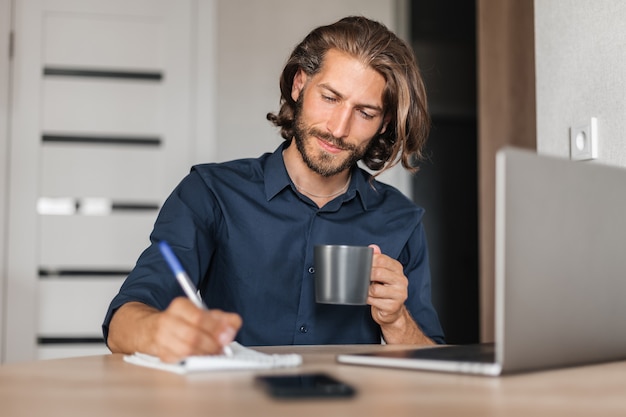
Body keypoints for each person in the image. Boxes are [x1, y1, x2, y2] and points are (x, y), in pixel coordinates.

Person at [103, 16, 445, 363]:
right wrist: (162, 331)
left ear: (384, 122)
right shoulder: (210, 194)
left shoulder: (400, 220)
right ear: (300, 85)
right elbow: (122, 325)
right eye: (330, 97)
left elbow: (436, 367)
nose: (338, 128)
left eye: (365, 112)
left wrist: (396, 320)